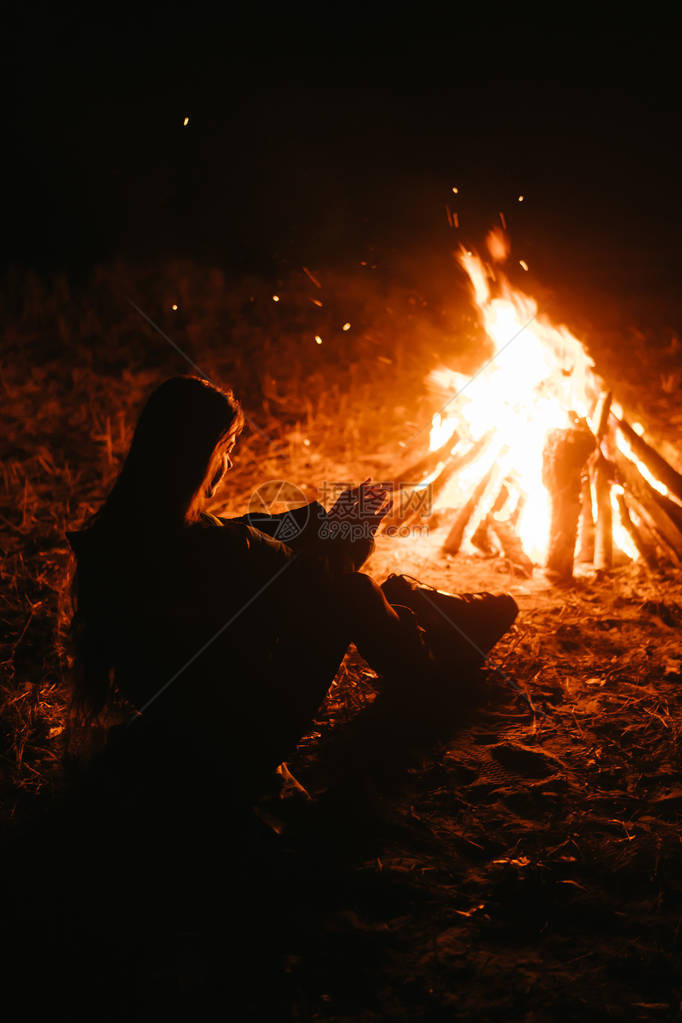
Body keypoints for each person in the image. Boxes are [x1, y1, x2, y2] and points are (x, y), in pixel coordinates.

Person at [67, 375, 517, 802]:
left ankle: (430, 618)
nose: (230, 463)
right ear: (198, 455)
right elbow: (322, 583)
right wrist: (351, 531)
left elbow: (259, 532)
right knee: (357, 592)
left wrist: (331, 518)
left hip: (182, 720)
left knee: (379, 586)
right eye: (226, 448)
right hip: (241, 737)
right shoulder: (214, 549)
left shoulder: (119, 533)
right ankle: (432, 677)